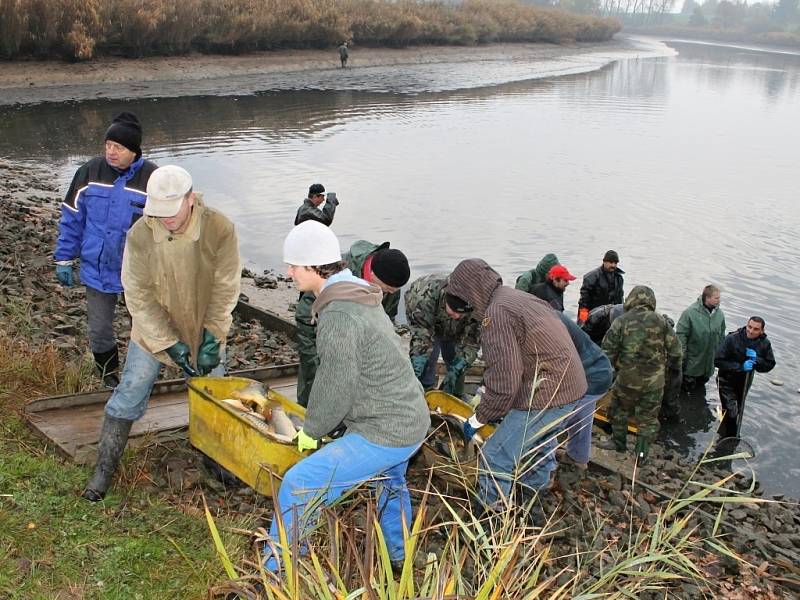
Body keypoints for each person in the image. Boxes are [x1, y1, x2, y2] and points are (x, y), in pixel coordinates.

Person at [264, 221, 429, 572]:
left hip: (386, 429)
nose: (288, 272)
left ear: (312, 267)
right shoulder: (358, 293)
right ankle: (399, 557)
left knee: (299, 484)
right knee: (390, 481)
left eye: (293, 265)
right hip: (411, 417)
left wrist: (312, 430)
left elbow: (335, 381)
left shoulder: (339, 312)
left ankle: (279, 575)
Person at [81, 165, 241, 502]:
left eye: (172, 211)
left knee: (214, 395)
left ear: (190, 199)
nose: (166, 219)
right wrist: (168, 343)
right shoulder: (140, 234)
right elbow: (136, 295)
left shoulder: (219, 228)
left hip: (202, 325)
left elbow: (226, 286)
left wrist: (213, 334)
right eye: (159, 212)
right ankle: (103, 471)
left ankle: (217, 460)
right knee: (130, 390)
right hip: (152, 330)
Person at [448, 259, 587, 509]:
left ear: (469, 292)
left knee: (495, 457)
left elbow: (505, 383)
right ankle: (531, 501)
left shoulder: (495, 316)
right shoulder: (516, 297)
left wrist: (480, 418)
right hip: (572, 386)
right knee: (539, 449)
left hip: (548, 392)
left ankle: (493, 522)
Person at [54, 112, 158, 388]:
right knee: (99, 329)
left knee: (146, 327)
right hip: (97, 268)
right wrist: (64, 257)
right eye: (108, 145)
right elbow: (72, 216)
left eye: (119, 147)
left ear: (134, 151)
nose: (111, 152)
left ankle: (142, 378)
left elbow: (168, 229)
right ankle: (108, 377)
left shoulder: (154, 178)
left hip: (138, 273)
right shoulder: (89, 171)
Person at [294, 239, 410, 406]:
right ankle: (307, 412)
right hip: (319, 329)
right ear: (372, 275)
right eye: (387, 289)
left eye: (394, 291)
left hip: (354, 335)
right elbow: (304, 315)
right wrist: (316, 358)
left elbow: (386, 322)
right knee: (315, 379)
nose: (390, 293)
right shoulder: (334, 274)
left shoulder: (390, 288)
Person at [600, 286, 682, 463]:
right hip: (654, 383)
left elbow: (607, 352)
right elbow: (676, 352)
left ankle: (618, 444)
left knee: (618, 411)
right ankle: (641, 456)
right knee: (648, 419)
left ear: (631, 299)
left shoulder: (621, 321)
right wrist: (668, 371)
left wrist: (610, 374)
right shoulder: (662, 322)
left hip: (627, 380)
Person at [405, 273, 481, 398]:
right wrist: (418, 361)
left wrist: (457, 367)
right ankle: (423, 390)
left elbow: (471, 343)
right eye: (454, 311)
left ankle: (455, 394)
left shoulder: (478, 305)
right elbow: (422, 336)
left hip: (455, 329)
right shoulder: (422, 298)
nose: (457, 316)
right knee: (427, 359)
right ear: (446, 300)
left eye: (461, 314)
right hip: (428, 319)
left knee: (455, 359)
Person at [714, 317, 776, 439]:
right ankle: (729, 439)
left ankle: (727, 429)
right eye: (749, 327)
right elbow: (717, 361)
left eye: (756, 329)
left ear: (762, 331)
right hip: (726, 379)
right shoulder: (732, 339)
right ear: (746, 326)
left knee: (739, 408)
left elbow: (769, 364)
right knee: (731, 411)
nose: (751, 331)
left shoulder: (764, 343)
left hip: (744, 382)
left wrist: (757, 359)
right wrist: (741, 366)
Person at [676, 285, 726, 390]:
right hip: (691, 365)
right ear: (707, 298)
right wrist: (682, 359)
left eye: (719, 298)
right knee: (686, 391)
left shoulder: (719, 314)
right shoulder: (689, 313)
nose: (719, 300)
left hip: (708, 366)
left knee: (700, 389)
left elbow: (721, 336)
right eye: (716, 298)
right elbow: (681, 336)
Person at [578, 250, 624, 324]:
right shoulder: (591, 277)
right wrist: (582, 322)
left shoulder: (619, 278)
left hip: (611, 317)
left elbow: (620, 300)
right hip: (594, 317)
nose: (613, 265)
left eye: (615, 263)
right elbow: (584, 303)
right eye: (611, 262)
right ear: (604, 261)